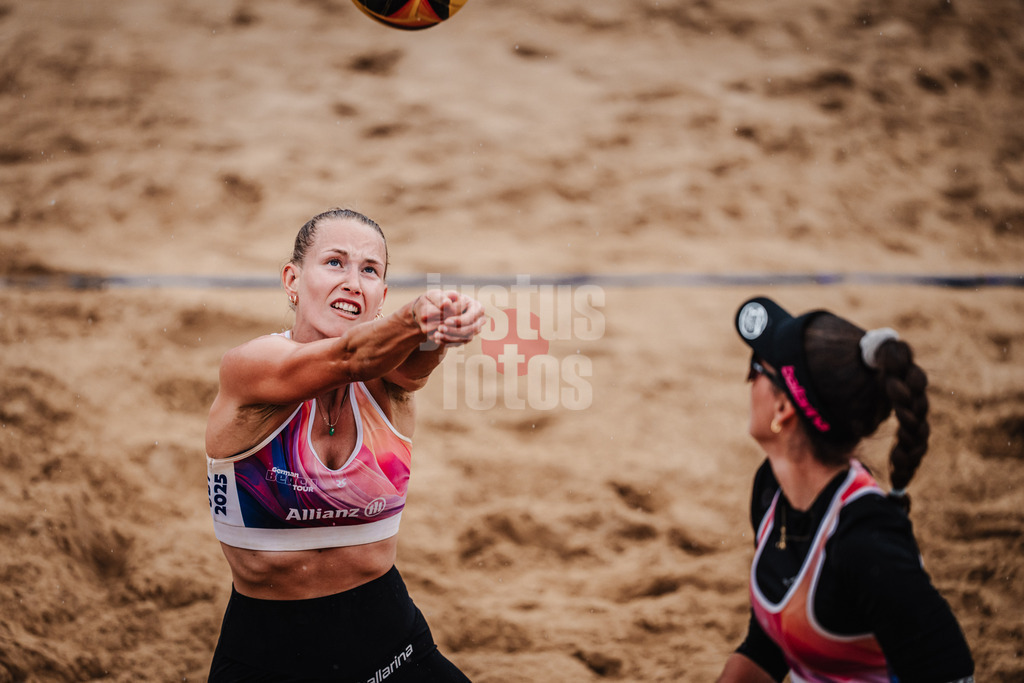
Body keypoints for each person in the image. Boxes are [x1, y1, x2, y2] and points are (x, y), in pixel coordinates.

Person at [205, 207, 485, 682]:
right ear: (292, 279)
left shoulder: (390, 381)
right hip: (268, 655)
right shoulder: (250, 368)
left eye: (369, 270)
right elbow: (350, 357)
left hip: (392, 646)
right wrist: (414, 318)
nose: (353, 281)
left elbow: (414, 363)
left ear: (381, 296)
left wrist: (441, 326)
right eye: (335, 262)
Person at [717, 296, 975, 683]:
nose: (750, 381)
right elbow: (768, 645)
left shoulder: (866, 541)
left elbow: (950, 674)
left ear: (784, 409)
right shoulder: (772, 490)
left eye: (756, 370)